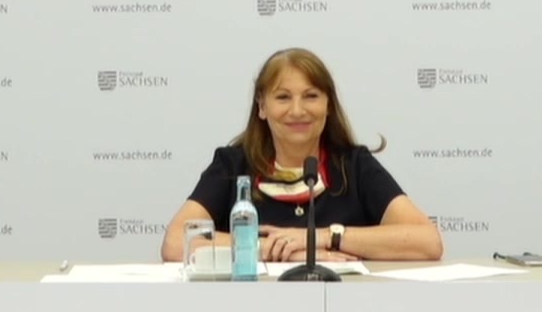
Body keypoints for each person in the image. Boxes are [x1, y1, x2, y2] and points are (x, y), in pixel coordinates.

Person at [161, 48, 442, 264]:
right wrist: (274, 250)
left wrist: (323, 238)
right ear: (262, 107)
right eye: (283, 97)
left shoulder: (354, 165)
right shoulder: (232, 165)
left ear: (328, 105)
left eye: (311, 96)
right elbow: (175, 243)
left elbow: (428, 242)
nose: (297, 111)